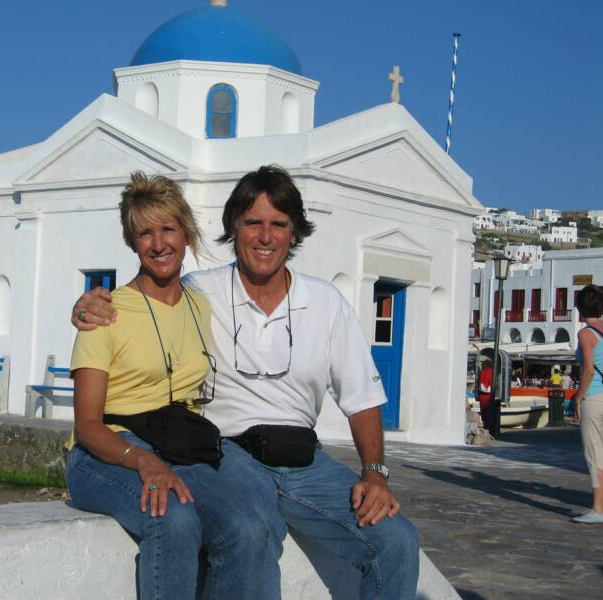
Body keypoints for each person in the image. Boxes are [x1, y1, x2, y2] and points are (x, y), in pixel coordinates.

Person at [73, 165, 419, 599]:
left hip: (305, 462)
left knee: (397, 540)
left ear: (294, 233)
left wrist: (375, 474)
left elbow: (362, 398)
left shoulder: (325, 302)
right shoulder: (202, 291)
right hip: (229, 454)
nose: (265, 237)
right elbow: (146, 299)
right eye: (253, 223)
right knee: (250, 532)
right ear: (233, 228)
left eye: (279, 224)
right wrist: (85, 307)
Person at [66, 172, 278, 599]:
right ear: (132, 242)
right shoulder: (105, 312)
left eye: (168, 229)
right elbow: (87, 425)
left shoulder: (200, 304)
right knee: (172, 517)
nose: (159, 244)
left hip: (178, 446)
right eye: (145, 233)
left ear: (186, 233)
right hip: (108, 448)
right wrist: (142, 461)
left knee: (247, 529)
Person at [572, 285, 603, 523]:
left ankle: (598, 509)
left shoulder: (585, 334)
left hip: (594, 398)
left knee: (595, 454)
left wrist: (578, 397)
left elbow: (588, 370)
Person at [477, 359, 494, 430]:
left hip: (483, 396)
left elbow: (480, 385)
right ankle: (490, 430)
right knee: (491, 416)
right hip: (491, 396)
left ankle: (486, 429)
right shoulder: (492, 372)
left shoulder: (482, 372)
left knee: (485, 417)